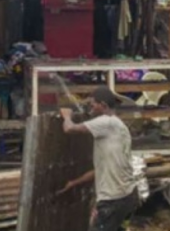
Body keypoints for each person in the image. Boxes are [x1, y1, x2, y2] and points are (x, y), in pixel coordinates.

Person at [59, 86, 138, 231]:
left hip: (113, 201)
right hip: (129, 197)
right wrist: (74, 182)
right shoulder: (119, 126)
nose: (90, 107)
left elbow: (69, 129)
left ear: (103, 106)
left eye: (92, 104)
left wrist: (66, 116)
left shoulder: (105, 122)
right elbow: (101, 169)